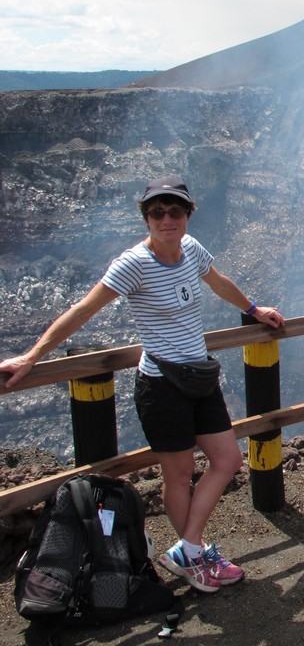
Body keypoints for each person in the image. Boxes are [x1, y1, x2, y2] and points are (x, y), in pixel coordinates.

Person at [0, 176, 285, 593]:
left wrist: (255, 309)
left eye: (175, 211)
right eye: (157, 212)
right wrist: (32, 356)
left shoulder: (191, 249)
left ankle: (187, 549)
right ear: (146, 218)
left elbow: (218, 280)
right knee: (179, 473)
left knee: (226, 461)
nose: (166, 219)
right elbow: (83, 310)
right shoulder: (133, 263)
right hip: (162, 385)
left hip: (200, 377)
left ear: (188, 214)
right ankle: (196, 555)